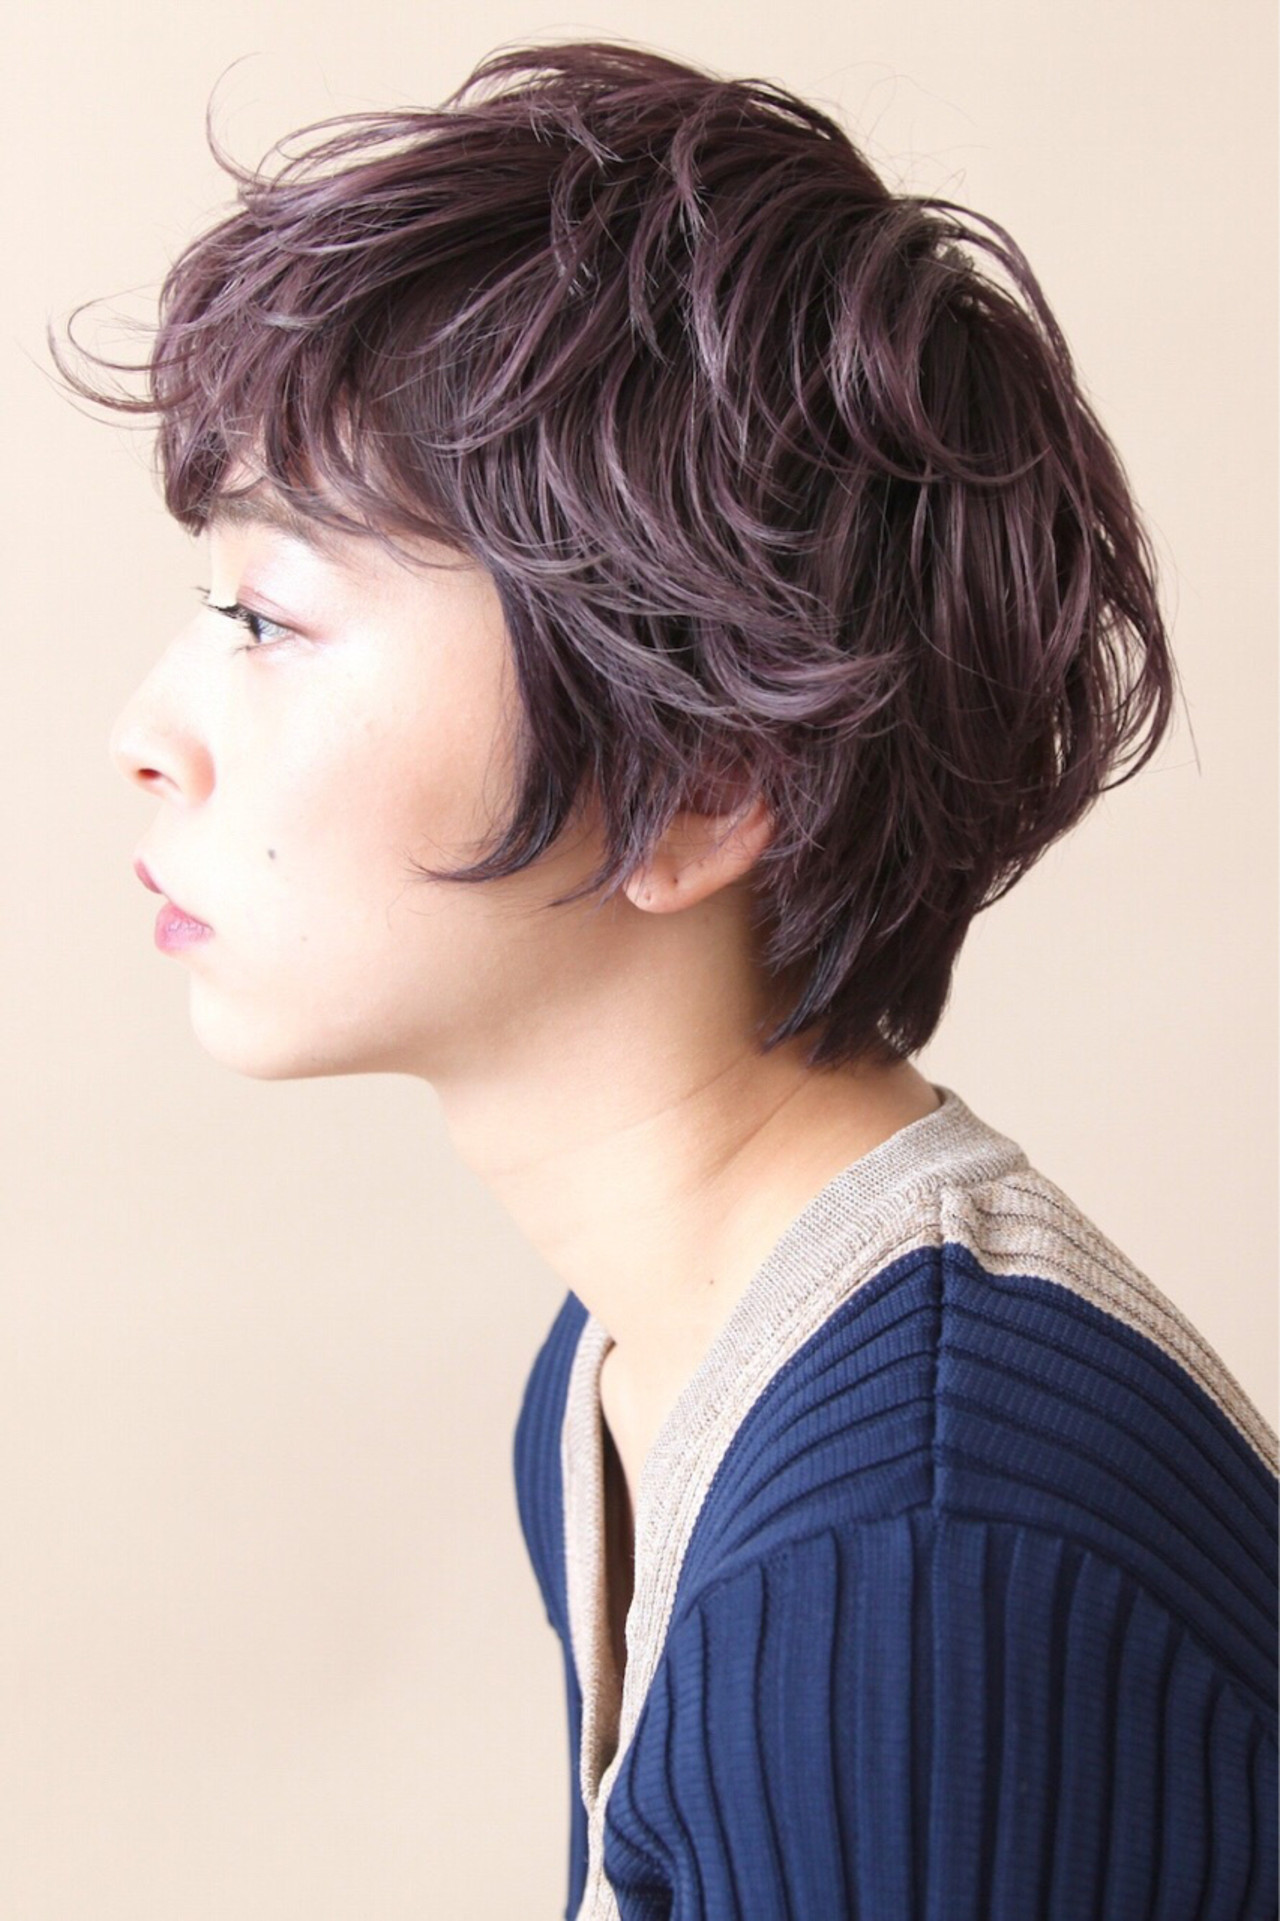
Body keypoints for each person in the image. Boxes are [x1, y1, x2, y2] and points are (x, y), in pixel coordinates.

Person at [60, 37, 1277, 1920]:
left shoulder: (906, 1571)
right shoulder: (636, 1364)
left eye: (267, 616)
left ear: (699, 781)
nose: (146, 734)